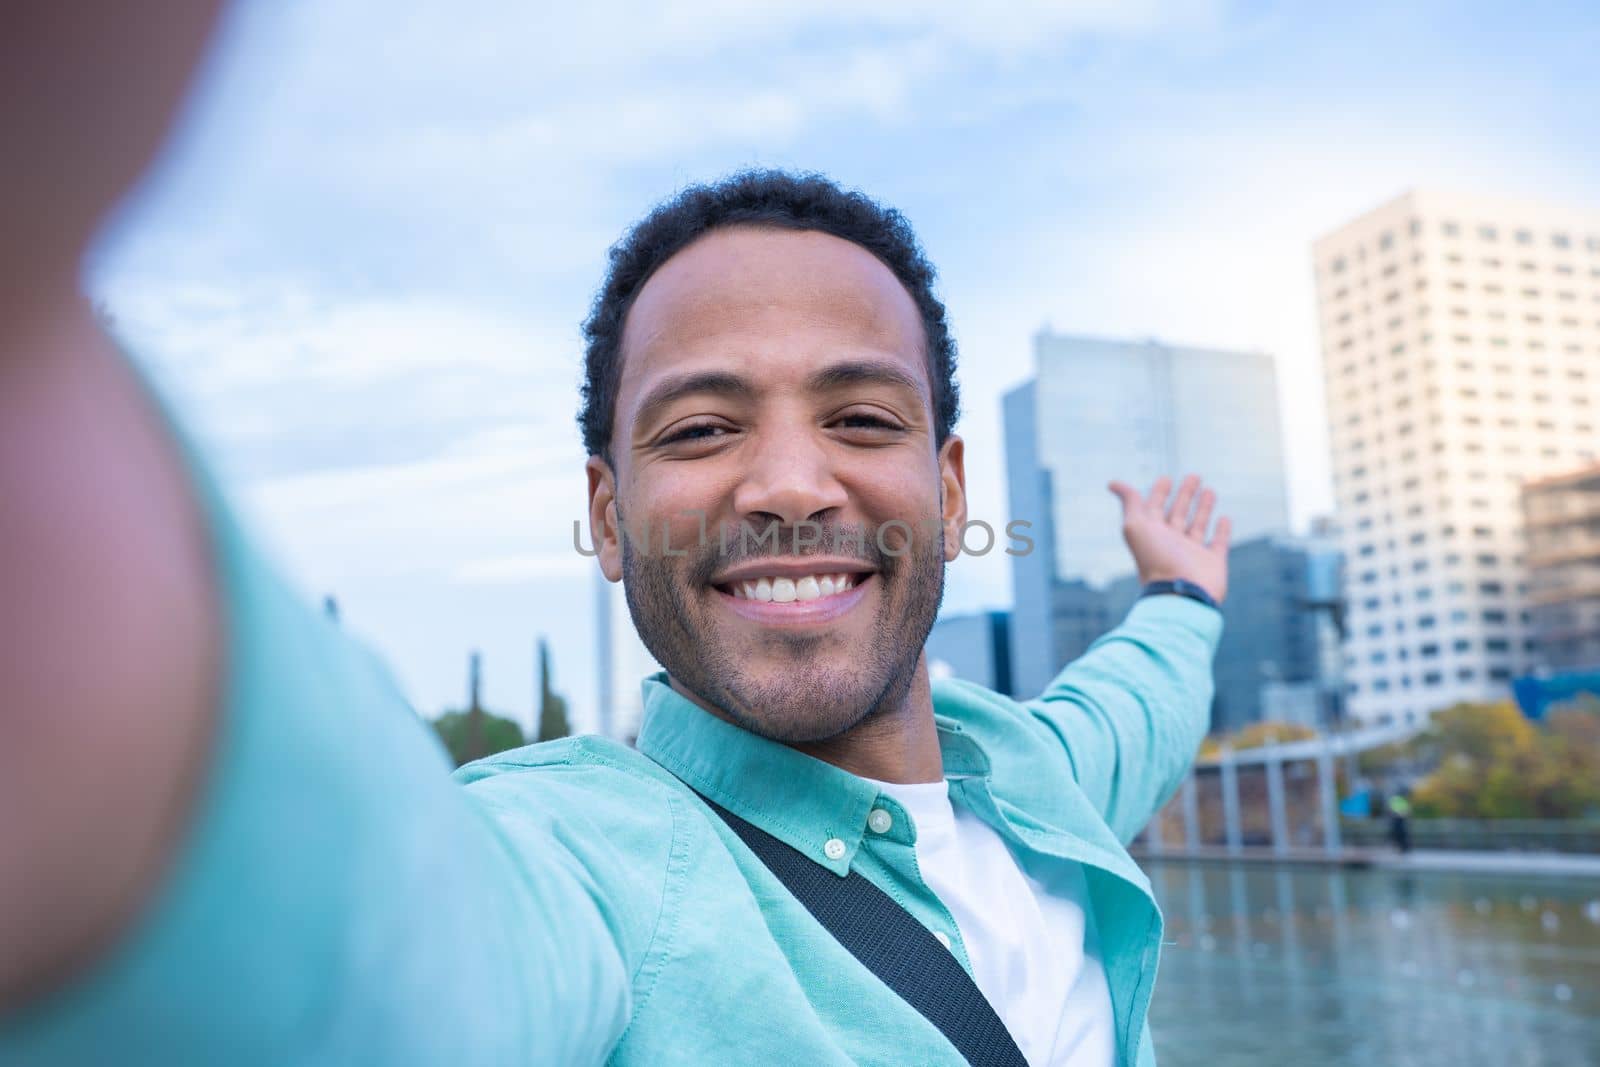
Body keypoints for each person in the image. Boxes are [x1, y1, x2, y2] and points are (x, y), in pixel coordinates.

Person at [0, 5, 1232, 1065]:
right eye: (700, 430)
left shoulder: (1032, 777)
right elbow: (389, 959)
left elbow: (1138, 704)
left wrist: (1181, 599)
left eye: (859, 416)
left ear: (951, 490)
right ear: (606, 515)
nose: (792, 483)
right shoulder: (593, 864)